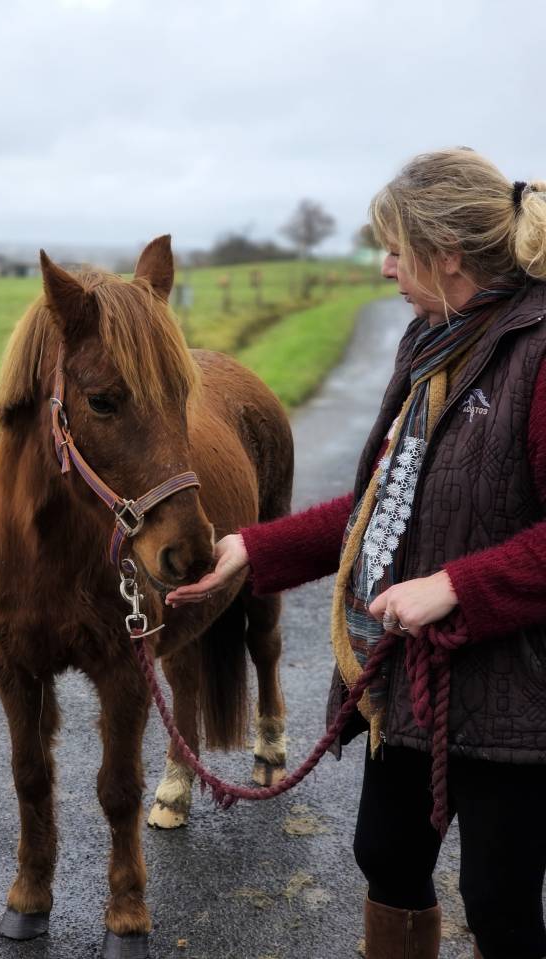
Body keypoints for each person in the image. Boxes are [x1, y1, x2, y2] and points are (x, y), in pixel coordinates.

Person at [166, 148, 546, 959]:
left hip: (520, 691)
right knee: (386, 854)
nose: (383, 266)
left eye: (397, 248)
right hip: (412, 674)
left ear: (447, 255)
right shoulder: (432, 344)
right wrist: (251, 548)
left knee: (501, 903)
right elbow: (380, 505)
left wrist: (455, 585)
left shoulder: (540, 354)